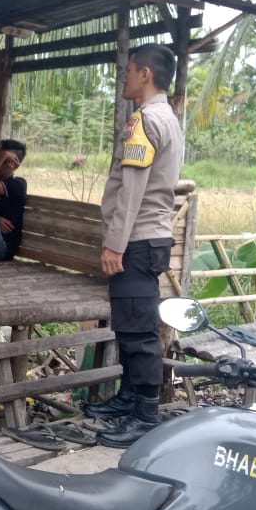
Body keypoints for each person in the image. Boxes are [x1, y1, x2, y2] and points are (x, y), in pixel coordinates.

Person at [85, 44, 183, 449]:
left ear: (145, 74)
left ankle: (145, 415)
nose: (123, 77)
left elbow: (132, 190)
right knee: (129, 323)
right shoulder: (168, 117)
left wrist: (115, 244)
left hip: (138, 238)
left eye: (128, 70)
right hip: (148, 237)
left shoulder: (143, 121)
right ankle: (129, 397)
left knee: (139, 329)